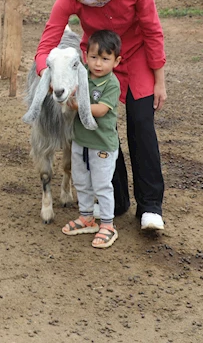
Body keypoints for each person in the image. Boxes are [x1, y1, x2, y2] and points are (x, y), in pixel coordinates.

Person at [34, 0, 167, 231]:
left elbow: (152, 30)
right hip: (98, 64)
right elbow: (47, 41)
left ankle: (150, 206)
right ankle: (116, 199)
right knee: (100, 127)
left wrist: (159, 80)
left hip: (136, 59)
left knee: (141, 125)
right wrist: (49, 76)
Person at [62, 29, 122, 248]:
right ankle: (87, 216)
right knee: (81, 181)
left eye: (105, 59)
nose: (98, 64)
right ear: (85, 56)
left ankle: (107, 224)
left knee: (102, 185)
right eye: (94, 57)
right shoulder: (82, 75)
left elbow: (101, 110)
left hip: (102, 145)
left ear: (116, 61)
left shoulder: (111, 84)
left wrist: (77, 104)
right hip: (81, 141)